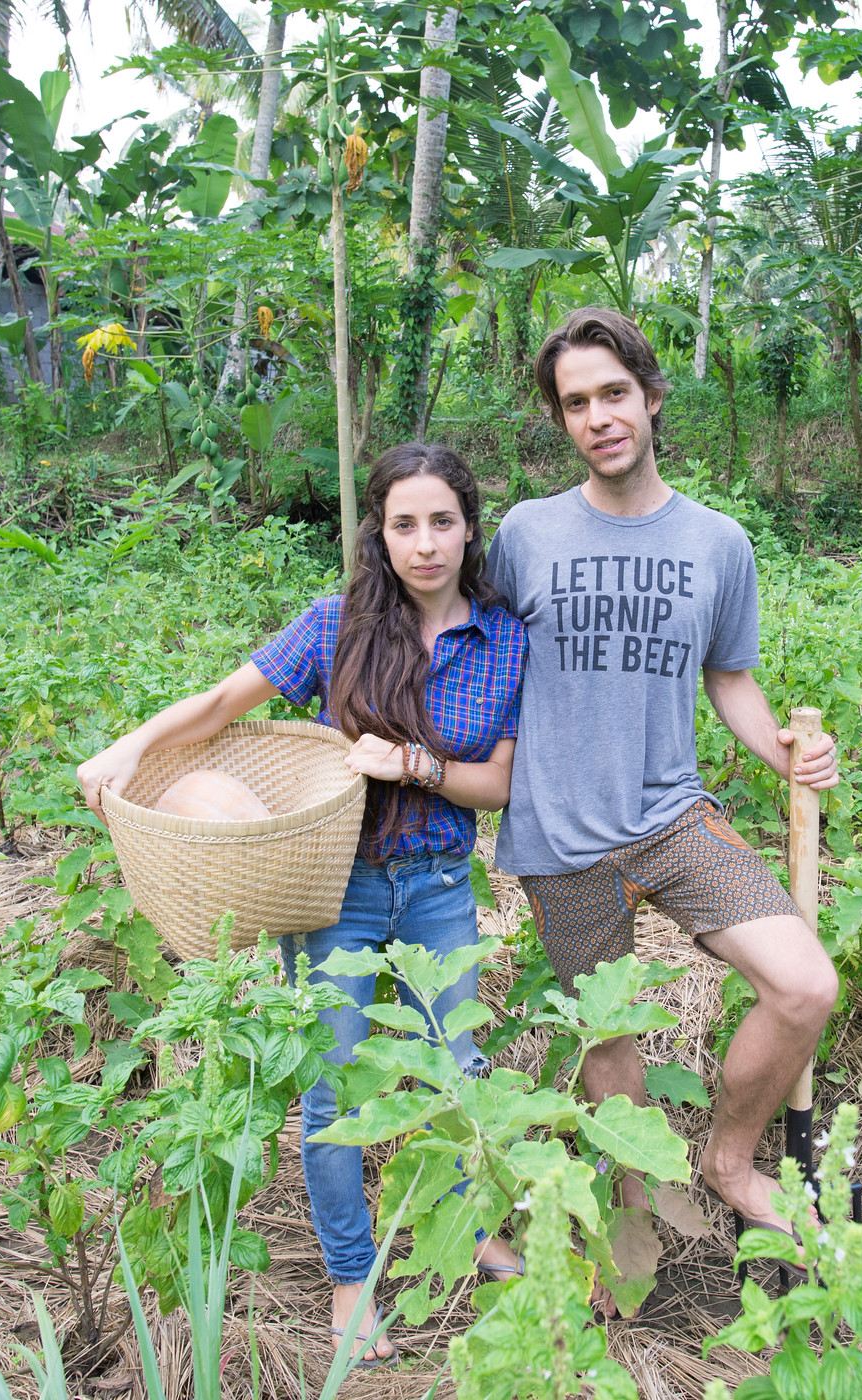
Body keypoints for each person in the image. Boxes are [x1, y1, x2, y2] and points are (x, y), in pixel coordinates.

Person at [76, 443, 525, 1365]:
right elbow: (220, 704)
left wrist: (415, 766)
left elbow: (504, 786)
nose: (425, 543)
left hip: (440, 883)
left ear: (470, 527)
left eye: (442, 521)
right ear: (380, 533)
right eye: (404, 524)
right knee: (333, 1086)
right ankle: (352, 1276)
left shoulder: (505, 638)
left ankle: (461, 1224)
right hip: (336, 888)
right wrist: (130, 745)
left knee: (457, 1068)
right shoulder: (335, 626)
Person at [484, 307, 841, 1285]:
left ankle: (728, 1161)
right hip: (559, 833)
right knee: (610, 1045)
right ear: (560, 422)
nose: (596, 415)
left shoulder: (717, 543)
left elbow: (727, 674)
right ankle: (633, 1223)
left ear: (648, 397)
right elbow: (477, 652)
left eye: (611, 393)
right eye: (574, 402)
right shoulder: (524, 534)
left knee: (803, 982)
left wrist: (781, 753)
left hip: (671, 815)